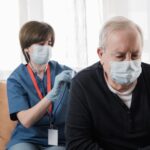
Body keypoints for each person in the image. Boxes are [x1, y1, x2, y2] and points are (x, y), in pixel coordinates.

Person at [65, 16, 150, 150]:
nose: (128, 63)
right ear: (101, 54)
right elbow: (77, 143)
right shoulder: (83, 84)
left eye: (135, 55)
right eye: (120, 56)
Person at [7, 21, 74, 150]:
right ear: (26, 48)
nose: (47, 48)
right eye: (41, 44)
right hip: (27, 138)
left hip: (58, 139)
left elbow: (86, 85)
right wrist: (51, 95)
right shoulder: (16, 79)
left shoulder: (63, 71)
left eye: (49, 44)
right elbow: (26, 121)